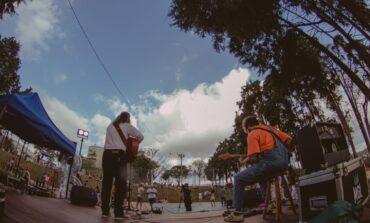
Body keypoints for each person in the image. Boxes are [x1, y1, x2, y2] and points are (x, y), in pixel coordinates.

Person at [219, 116, 291, 221]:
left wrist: (243, 161)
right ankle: (268, 204)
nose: (245, 131)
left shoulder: (252, 134)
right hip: (284, 163)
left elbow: (253, 158)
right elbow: (288, 140)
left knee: (238, 179)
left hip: (270, 164)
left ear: (247, 126)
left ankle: (237, 213)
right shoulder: (270, 129)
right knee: (261, 177)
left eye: (244, 128)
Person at [101, 111, 144, 220]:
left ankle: (105, 211)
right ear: (128, 119)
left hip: (106, 156)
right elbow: (141, 136)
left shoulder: (109, 126)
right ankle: (118, 213)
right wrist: (132, 142)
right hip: (119, 157)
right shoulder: (127, 126)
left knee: (106, 184)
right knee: (121, 186)